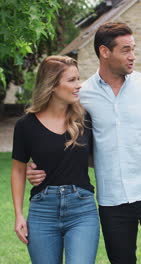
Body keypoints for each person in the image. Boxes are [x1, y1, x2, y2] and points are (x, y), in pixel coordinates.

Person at [26, 22, 141, 264]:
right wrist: (38, 166)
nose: (132, 56)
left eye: (133, 49)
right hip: (113, 200)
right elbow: (56, 131)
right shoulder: (83, 94)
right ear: (104, 52)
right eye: (125, 50)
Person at [11, 56, 99, 263]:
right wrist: (18, 215)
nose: (78, 86)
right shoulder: (25, 125)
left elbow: (96, 159)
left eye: (78, 79)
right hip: (42, 211)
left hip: (82, 210)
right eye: (71, 80)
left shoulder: (84, 119)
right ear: (52, 85)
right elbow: (17, 170)